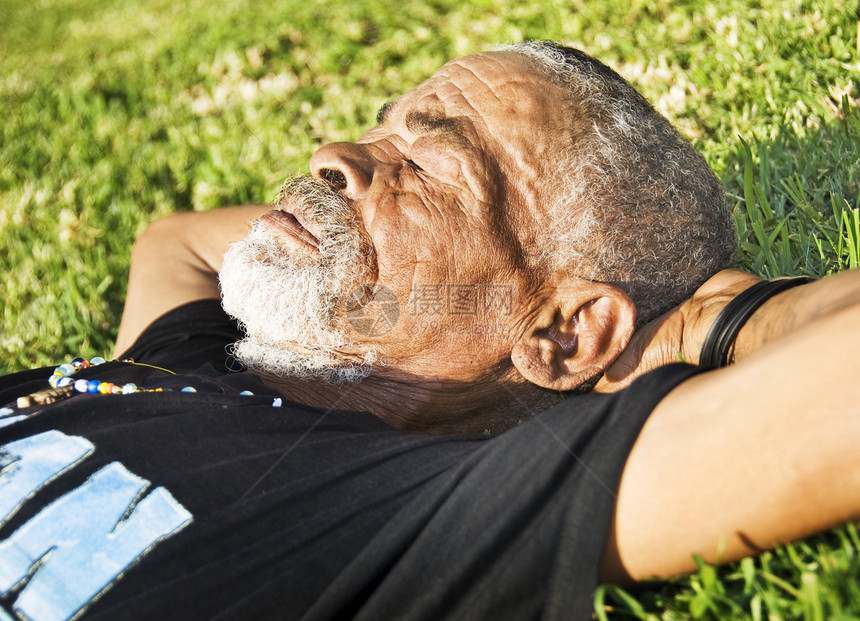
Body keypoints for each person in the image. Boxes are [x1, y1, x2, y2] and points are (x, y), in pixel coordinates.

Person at [0, 41, 858, 621]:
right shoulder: (199, 364)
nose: (335, 155)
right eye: (381, 128)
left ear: (562, 336)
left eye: (426, 166)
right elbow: (176, 243)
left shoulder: (408, 507)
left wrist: (721, 315)